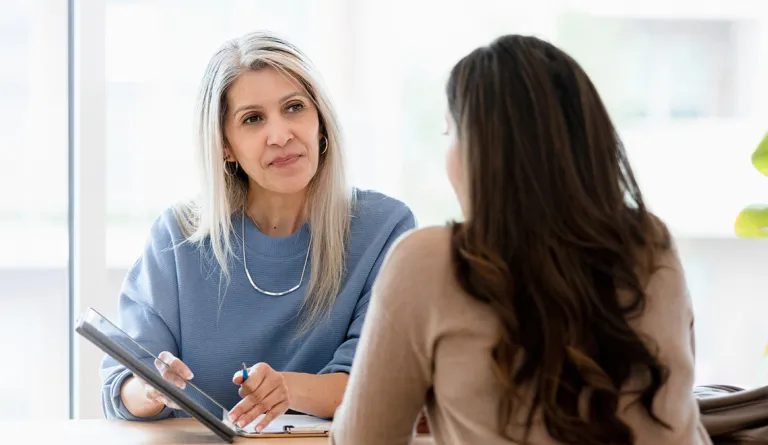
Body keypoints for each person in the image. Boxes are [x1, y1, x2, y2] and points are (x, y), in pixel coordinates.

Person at [330, 34, 712, 445]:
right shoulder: (651, 243)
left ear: (480, 151)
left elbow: (361, 440)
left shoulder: (428, 260)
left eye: (450, 134)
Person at [99, 31, 416, 433]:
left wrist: (287, 388)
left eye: (294, 108)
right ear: (225, 145)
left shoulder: (384, 229)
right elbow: (120, 385)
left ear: (320, 122)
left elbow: (378, 384)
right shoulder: (179, 235)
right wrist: (150, 388)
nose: (280, 135)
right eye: (252, 119)